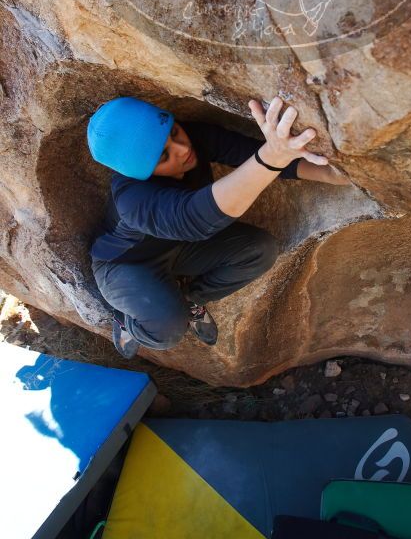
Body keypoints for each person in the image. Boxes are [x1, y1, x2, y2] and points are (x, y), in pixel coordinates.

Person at [87, 95, 351, 358]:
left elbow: (266, 158)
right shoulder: (132, 199)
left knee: (260, 250)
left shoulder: (194, 137)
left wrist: (336, 174)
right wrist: (272, 156)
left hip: (180, 247)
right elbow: (194, 220)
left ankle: (190, 299)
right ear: (141, 171)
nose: (182, 148)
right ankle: (127, 321)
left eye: (174, 131)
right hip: (127, 264)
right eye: (163, 155)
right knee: (167, 330)